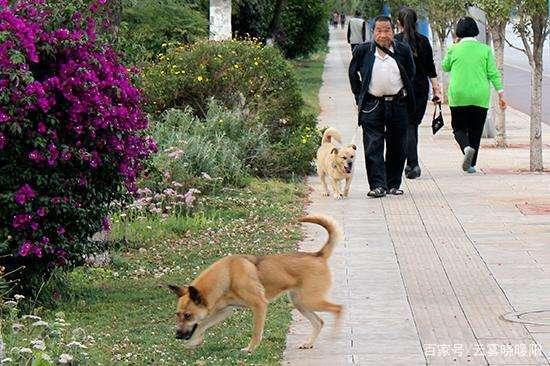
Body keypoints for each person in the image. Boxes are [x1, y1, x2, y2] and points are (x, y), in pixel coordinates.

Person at [349, 15, 416, 198]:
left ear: (393, 31)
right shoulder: (363, 51)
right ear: (373, 32)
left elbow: (411, 72)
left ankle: (393, 184)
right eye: (379, 30)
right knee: (373, 145)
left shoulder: (402, 50)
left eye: (387, 30)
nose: (383, 34)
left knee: (397, 145)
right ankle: (378, 185)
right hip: (373, 104)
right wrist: (359, 97)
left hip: (397, 104)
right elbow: (352, 74)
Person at [442, 16, 506, 173]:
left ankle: (466, 148)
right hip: (479, 95)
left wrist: (452, 49)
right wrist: (501, 93)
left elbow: (445, 67)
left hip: (459, 95)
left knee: (458, 129)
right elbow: (493, 73)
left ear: (458, 32)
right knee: (476, 131)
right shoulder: (485, 50)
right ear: (476, 31)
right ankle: (471, 165)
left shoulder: (454, 48)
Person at [395, 7, 442, 179]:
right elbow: (431, 69)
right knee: (411, 125)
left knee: (405, 126)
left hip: (400, 89)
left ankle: (411, 164)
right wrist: (437, 92)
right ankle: (411, 164)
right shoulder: (424, 41)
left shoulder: (395, 42)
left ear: (398, 22)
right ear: (415, 22)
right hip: (421, 89)